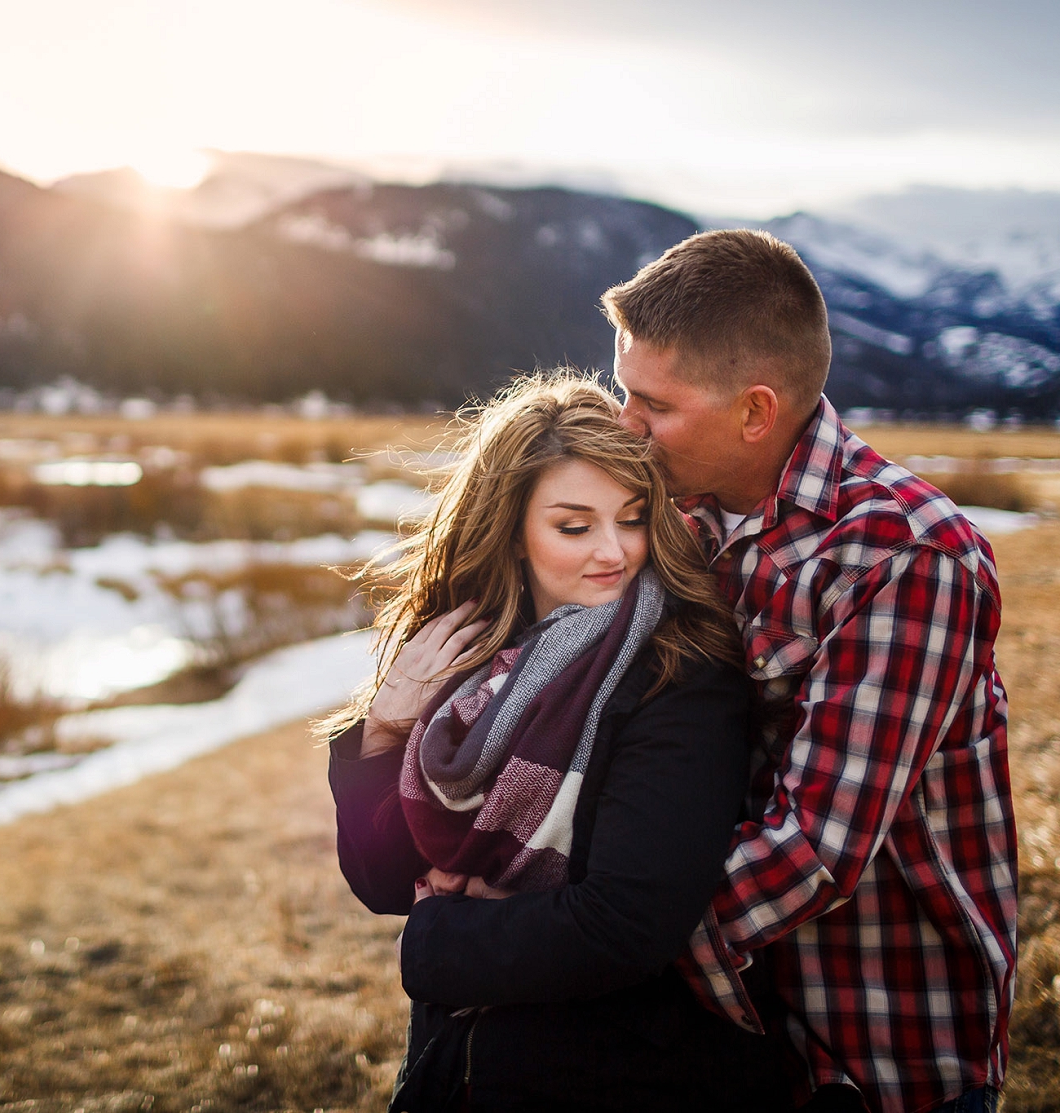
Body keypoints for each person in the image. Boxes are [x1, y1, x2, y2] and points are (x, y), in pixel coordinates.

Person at [601, 228, 1017, 1113]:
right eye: (620, 389)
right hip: (721, 1046)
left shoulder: (906, 554)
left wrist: (603, 931)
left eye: (653, 404)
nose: (624, 424)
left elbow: (817, 847)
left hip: (876, 1050)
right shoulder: (675, 520)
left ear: (756, 411)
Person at [325, 373, 795, 1112]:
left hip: (611, 1077)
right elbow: (383, 878)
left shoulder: (678, 671)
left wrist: (438, 937)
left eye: (633, 517)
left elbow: (624, 924)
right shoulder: (465, 649)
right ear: (512, 529)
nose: (613, 551)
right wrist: (383, 730)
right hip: (457, 1068)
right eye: (574, 526)